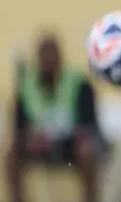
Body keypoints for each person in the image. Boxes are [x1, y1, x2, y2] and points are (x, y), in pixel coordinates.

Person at [5, 34, 102, 202]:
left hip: (69, 145)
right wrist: (28, 139)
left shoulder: (78, 84)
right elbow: (17, 127)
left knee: (87, 151)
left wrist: (76, 137)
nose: (48, 62)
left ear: (60, 58)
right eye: (44, 57)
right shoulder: (26, 87)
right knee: (12, 154)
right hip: (38, 146)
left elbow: (90, 124)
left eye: (52, 56)